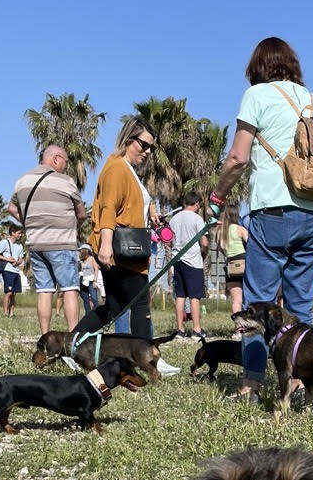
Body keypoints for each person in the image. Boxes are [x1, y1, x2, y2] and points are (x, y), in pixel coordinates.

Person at [210, 36, 313, 403]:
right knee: (298, 306)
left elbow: (237, 157)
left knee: (257, 302)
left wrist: (218, 196)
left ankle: (251, 384)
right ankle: (297, 384)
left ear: (257, 67)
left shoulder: (258, 96)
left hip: (272, 210)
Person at [74, 116, 179, 375]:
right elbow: (108, 208)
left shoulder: (128, 170)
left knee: (115, 307)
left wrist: (151, 213)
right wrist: (106, 245)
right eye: (143, 145)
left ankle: (72, 344)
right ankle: (151, 358)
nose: (147, 151)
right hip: (119, 251)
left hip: (128, 250)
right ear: (128, 139)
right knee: (138, 304)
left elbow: (129, 206)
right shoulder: (117, 167)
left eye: (151, 147)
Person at [7, 144, 85, 335]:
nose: (65, 166)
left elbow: (11, 208)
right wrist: (73, 226)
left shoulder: (22, 181)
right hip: (61, 242)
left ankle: (45, 336)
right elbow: (82, 214)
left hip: (36, 243)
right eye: (65, 162)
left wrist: (28, 223)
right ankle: (73, 338)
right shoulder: (65, 181)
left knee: (44, 290)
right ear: (56, 158)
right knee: (69, 289)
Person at [169, 192, 208, 338]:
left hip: (177, 260)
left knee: (180, 295)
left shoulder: (174, 219)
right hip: (193, 261)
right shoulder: (197, 219)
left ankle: (180, 330)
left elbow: (170, 240)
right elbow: (204, 242)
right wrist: (204, 253)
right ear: (197, 203)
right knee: (194, 297)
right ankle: (197, 330)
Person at [216, 207, 248, 319]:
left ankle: (239, 328)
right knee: (248, 298)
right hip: (245, 265)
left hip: (230, 268)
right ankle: (250, 326)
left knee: (236, 301)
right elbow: (252, 246)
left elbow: (221, 250)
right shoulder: (240, 229)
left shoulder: (220, 233)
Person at [0, 224, 24, 316]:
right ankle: (5, 313)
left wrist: (17, 262)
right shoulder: (4, 242)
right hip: (7, 270)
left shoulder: (20, 245)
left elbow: (21, 258)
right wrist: (8, 259)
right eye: (19, 233)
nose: (20, 235)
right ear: (13, 233)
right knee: (8, 292)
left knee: (14, 293)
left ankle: (12, 313)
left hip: (16, 271)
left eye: (21, 233)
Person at [77, 243, 99, 310]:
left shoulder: (91, 258)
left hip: (91, 281)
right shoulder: (80, 260)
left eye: (81, 250)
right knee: (86, 300)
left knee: (94, 298)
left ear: (85, 251)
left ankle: (98, 313)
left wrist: (95, 281)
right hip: (82, 281)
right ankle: (88, 316)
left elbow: (96, 269)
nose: (80, 252)